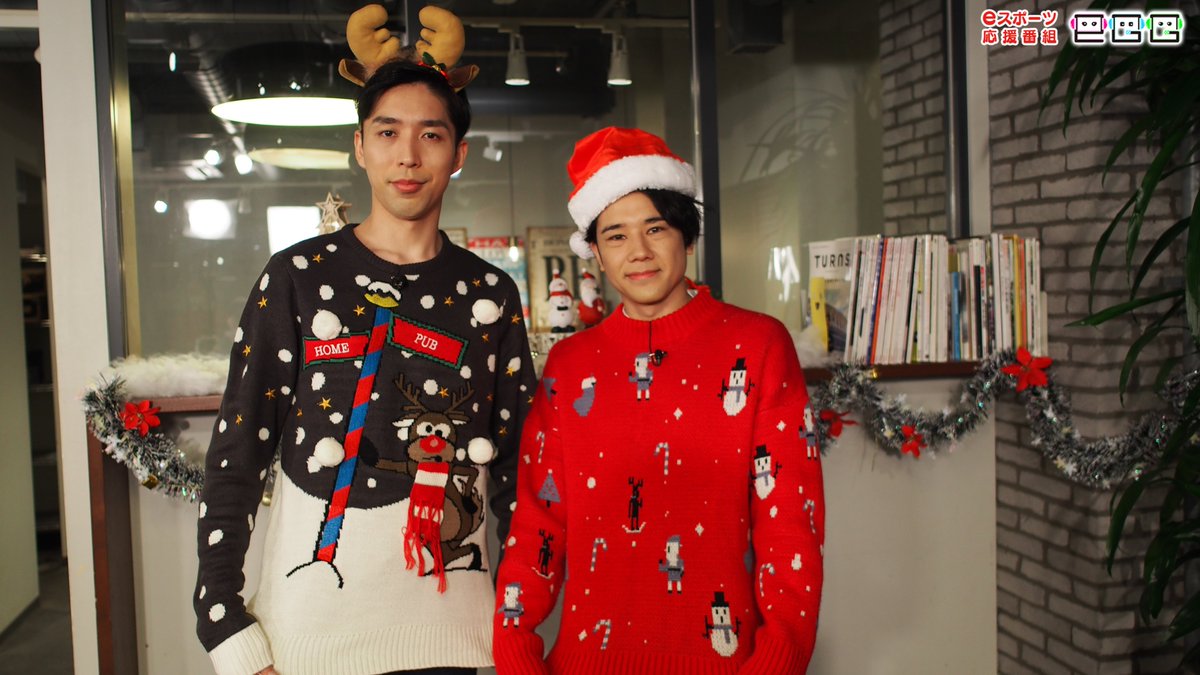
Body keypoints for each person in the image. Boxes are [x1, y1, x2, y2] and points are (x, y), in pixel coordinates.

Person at [194, 8, 535, 675]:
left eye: (430, 134)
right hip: (307, 642)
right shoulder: (298, 277)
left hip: (453, 640)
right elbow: (236, 456)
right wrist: (225, 627)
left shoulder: (490, 294)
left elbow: (520, 476)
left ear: (458, 154)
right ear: (360, 146)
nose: (408, 155)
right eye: (387, 132)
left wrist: (517, 621)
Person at [492, 127, 825, 674]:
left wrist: (776, 663)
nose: (639, 252)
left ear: (687, 238)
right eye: (616, 235)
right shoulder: (570, 366)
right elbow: (537, 525)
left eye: (656, 228)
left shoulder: (758, 345)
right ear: (596, 254)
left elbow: (790, 524)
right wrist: (516, 654)